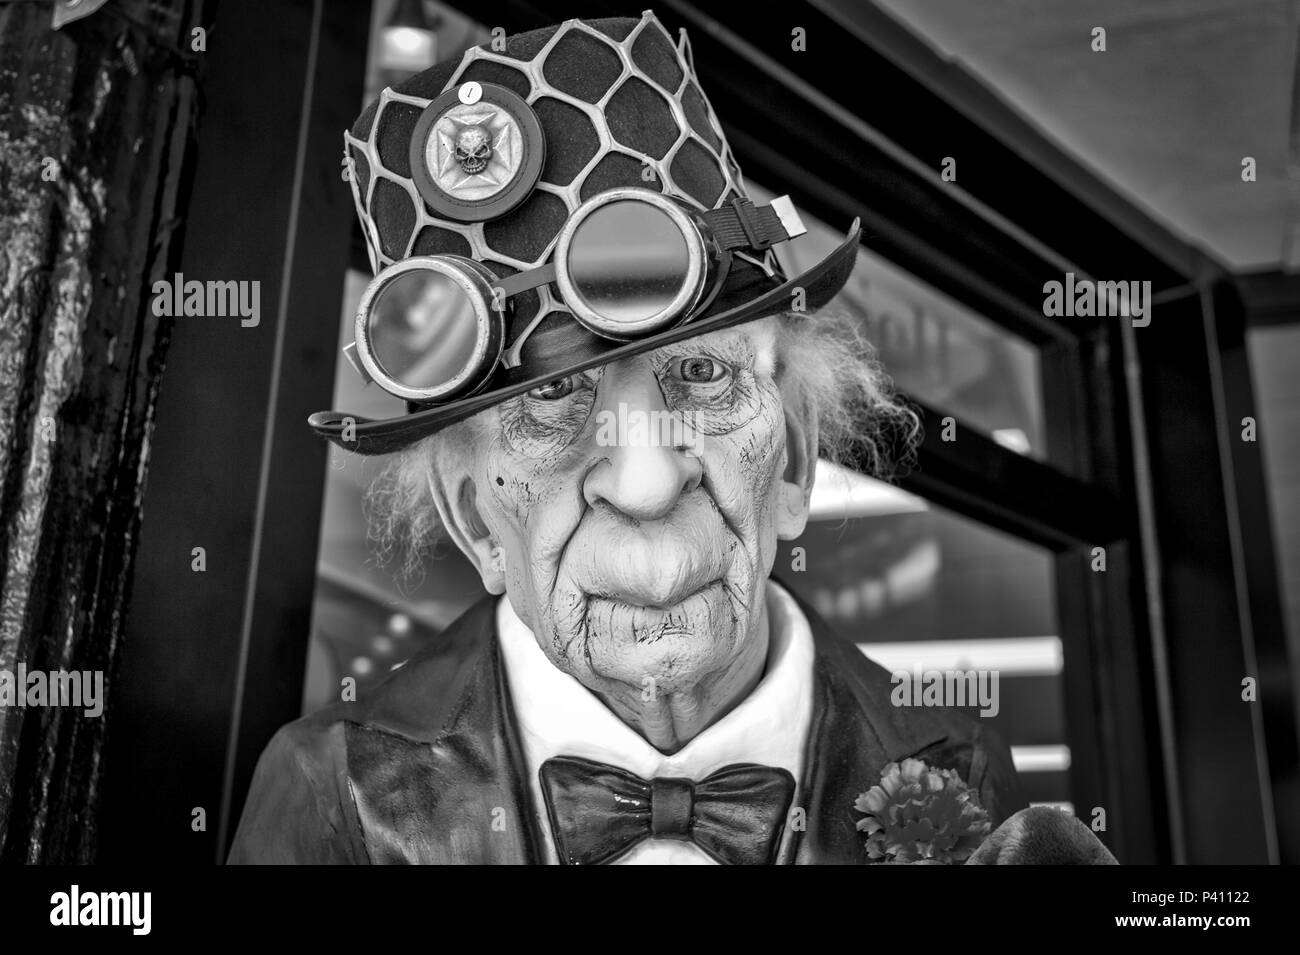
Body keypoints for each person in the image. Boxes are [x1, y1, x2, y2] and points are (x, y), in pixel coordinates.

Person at [229, 10, 1113, 865]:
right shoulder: (330, 795)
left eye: (702, 374)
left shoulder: (963, 762)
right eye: (554, 402)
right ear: (473, 519)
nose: (646, 483)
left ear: (798, 460)